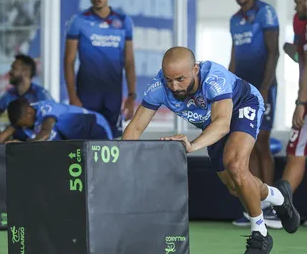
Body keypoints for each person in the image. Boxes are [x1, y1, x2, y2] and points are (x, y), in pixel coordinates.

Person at [122, 47, 300, 253]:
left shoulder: (214, 78)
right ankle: (279, 197)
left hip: (241, 106)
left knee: (235, 165)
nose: (174, 86)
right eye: (169, 79)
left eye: (180, 79)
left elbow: (223, 124)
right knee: (236, 188)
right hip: (211, 123)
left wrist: (193, 144)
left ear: (195, 69)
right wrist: (125, 166)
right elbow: (134, 128)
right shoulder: (159, 87)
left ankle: (259, 233)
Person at [229, 0, 280, 227]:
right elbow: (234, 58)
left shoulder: (265, 12)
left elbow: (274, 52)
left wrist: (265, 88)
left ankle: (272, 207)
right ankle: (255, 206)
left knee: (262, 143)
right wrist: (228, 89)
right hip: (241, 91)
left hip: (263, 88)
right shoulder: (234, 19)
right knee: (245, 147)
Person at [64, 0, 136, 139]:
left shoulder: (123, 21)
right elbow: (69, 61)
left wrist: (131, 96)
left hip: (112, 96)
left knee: (112, 142)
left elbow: (129, 61)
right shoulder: (78, 21)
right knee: (83, 142)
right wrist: (72, 96)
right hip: (86, 96)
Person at [280, 0, 307, 226]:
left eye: (299, 1)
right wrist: (295, 51)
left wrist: (301, 103)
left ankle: (280, 206)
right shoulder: (300, 21)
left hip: (306, 99)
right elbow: (302, 59)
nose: (296, 6)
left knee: (296, 152)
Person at [0, 54, 54, 143]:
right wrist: (4, 139)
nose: (9, 72)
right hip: (16, 144)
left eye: (13, 68)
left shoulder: (40, 94)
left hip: (38, 144)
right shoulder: (9, 94)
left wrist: (33, 142)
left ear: (25, 72)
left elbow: (52, 119)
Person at [2, 99, 113, 142]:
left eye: (25, 123)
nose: (24, 127)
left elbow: (45, 133)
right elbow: (2, 137)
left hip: (95, 126)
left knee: (62, 124)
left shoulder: (46, 108)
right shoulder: (25, 125)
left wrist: (22, 146)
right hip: (79, 139)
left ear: (29, 112)